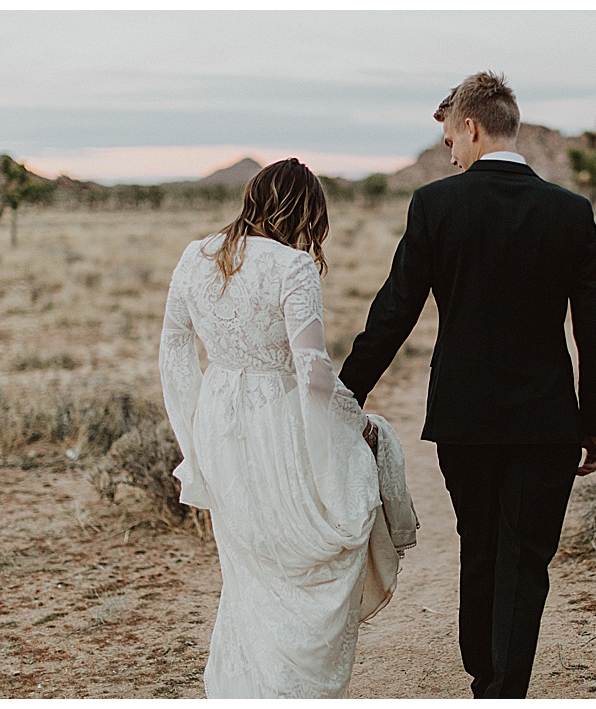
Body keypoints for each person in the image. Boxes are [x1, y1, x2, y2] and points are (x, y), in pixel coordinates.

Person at [339, 71, 596, 699]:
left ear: (470, 126)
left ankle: (483, 676)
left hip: (464, 418)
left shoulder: (436, 206)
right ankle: (501, 683)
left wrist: (346, 392)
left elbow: (395, 311)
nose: (449, 154)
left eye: (450, 139)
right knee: (525, 557)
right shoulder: (571, 212)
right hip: (546, 421)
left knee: (481, 542)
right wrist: (594, 418)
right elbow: (594, 329)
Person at [158, 158, 406, 698]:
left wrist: (192, 428)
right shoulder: (291, 267)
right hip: (279, 422)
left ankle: (248, 687)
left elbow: (174, 348)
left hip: (218, 421)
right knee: (302, 555)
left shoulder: (194, 255)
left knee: (246, 566)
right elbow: (312, 373)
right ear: (304, 211)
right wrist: (351, 422)